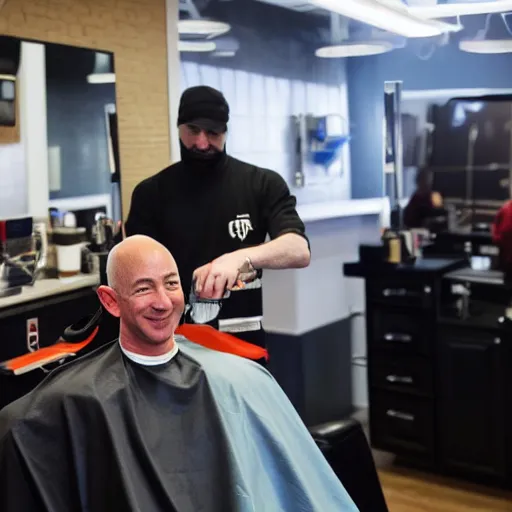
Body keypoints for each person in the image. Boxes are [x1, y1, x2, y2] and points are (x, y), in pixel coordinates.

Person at [0, 235, 357, 511]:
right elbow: (17, 432)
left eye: (171, 284)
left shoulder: (240, 380)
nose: (162, 301)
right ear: (110, 301)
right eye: (143, 288)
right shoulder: (80, 397)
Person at [124, 85, 310, 347]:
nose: (201, 143)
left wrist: (238, 258)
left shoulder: (261, 184)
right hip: (173, 340)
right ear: (179, 128)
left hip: (242, 340)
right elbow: (134, 274)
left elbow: (298, 249)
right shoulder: (150, 194)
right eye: (193, 131)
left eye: (212, 132)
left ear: (225, 131)